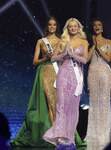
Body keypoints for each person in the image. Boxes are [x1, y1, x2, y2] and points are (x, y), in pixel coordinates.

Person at [10, 17, 60, 147]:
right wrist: (45, 58)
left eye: (54, 25)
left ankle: (60, 132)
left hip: (57, 72)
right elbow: (34, 62)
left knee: (57, 103)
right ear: (47, 27)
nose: (52, 27)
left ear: (57, 27)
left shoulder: (61, 41)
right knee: (50, 102)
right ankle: (54, 134)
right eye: (50, 24)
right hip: (45, 72)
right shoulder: (40, 41)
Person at [43, 18, 88, 148]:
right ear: (67, 28)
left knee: (72, 108)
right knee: (61, 105)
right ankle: (60, 137)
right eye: (70, 27)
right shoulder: (62, 41)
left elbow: (84, 60)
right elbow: (53, 58)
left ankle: (70, 137)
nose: (73, 29)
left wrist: (72, 55)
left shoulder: (84, 42)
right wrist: (63, 54)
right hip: (63, 74)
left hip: (76, 77)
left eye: (75, 26)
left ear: (79, 28)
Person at [85, 19, 111, 147]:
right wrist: (93, 46)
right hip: (93, 72)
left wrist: (99, 48)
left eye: (99, 25)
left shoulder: (108, 42)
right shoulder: (89, 42)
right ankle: (94, 134)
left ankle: (104, 133)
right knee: (94, 102)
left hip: (104, 72)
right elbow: (87, 59)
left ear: (102, 28)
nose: (97, 27)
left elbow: (108, 58)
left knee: (104, 101)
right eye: (94, 25)